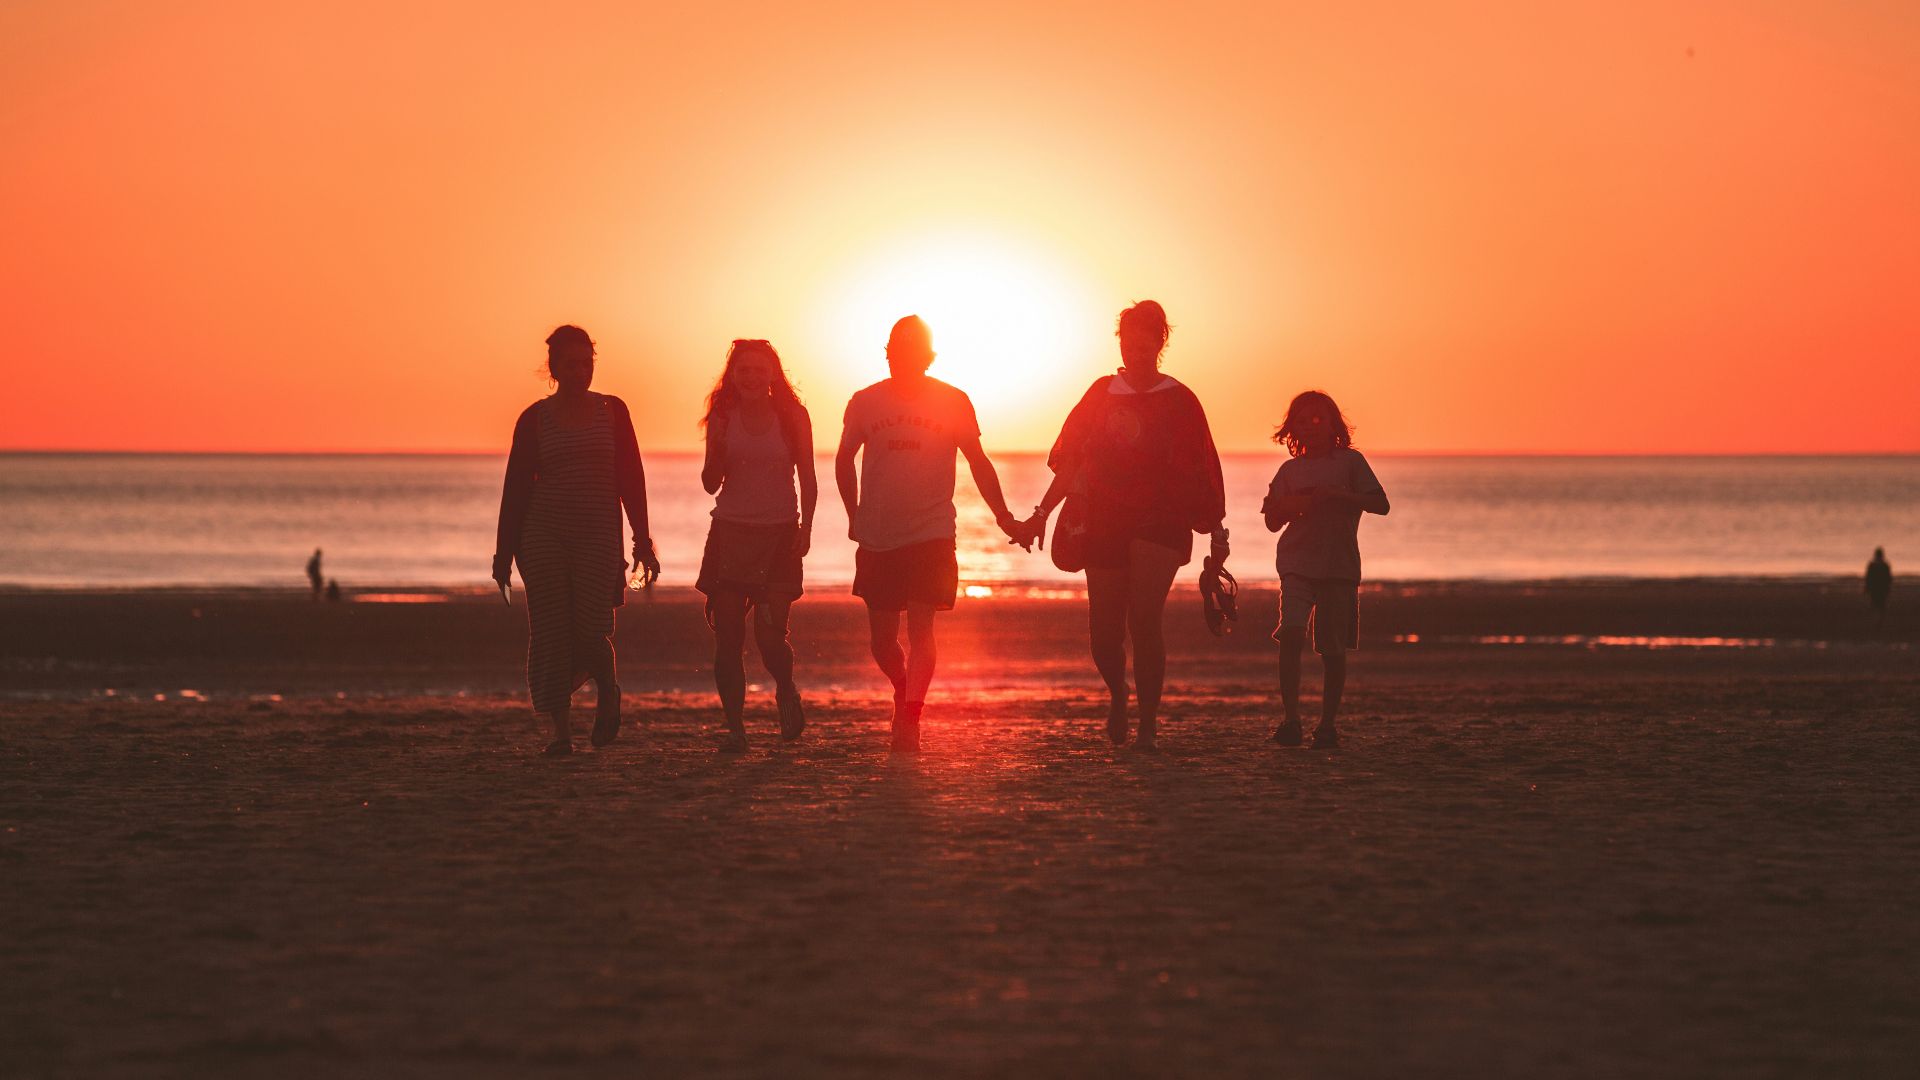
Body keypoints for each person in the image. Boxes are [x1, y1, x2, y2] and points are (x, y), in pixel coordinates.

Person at [1021, 301, 1228, 751]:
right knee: (1104, 632)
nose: (1135, 347)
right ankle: (1119, 696)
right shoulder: (1101, 394)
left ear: (1160, 341)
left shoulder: (1180, 399)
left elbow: (1202, 467)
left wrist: (1215, 529)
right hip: (1104, 518)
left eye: (1145, 338)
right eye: (1126, 338)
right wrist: (1042, 513)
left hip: (1162, 520)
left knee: (1145, 618)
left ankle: (1148, 726)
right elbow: (1071, 460)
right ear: (1119, 341)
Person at [836, 315, 1028, 752]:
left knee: (922, 630)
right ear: (887, 353)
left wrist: (1003, 516)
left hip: (932, 531)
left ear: (926, 356)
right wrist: (854, 514)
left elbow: (978, 461)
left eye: (911, 349)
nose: (902, 357)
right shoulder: (865, 401)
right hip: (879, 536)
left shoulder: (953, 401)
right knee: (882, 641)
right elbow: (844, 459)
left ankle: (912, 715)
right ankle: (903, 688)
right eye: (895, 349)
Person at [493, 325, 660, 757]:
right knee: (550, 631)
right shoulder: (535, 419)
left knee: (592, 628)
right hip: (543, 535)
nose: (581, 371)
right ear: (554, 368)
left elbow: (631, 478)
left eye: (588, 363)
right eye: (572, 364)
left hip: (598, 536)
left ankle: (608, 689)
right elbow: (516, 488)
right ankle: (560, 733)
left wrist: (643, 541)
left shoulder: (613, 411)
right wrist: (503, 553)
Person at [696, 339, 817, 752]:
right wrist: (718, 448)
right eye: (742, 370)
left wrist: (808, 527)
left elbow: (808, 476)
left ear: (772, 375)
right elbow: (711, 482)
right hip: (730, 532)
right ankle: (736, 730)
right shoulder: (723, 416)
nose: (750, 377)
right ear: (733, 375)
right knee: (728, 639)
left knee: (769, 637)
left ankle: (785, 688)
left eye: (759, 370)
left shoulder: (793, 416)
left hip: (780, 533)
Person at [1262, 390, 1388, 749]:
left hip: (1338, 566)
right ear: (1292, 429)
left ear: (1333, 423)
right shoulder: (1290, 470)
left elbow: (1381, 504)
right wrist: (1292, 506)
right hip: (1296, 563)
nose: (1312, 427)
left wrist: (1339, 496)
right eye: (1303, 421)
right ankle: (1291, 720)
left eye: (1319, 419)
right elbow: (1272, 520)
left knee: (1332, 650)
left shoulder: (1350, 463)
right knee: (1290, 634)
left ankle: (1327, 725)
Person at [1866, 547, 1892, 633]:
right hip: (1882, 589)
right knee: (1881, 607)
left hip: (1875, 589)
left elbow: (1868, 578)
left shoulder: (1872, 565)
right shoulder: (1885, 565)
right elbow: (1889, 578)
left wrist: (1867, 588)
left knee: (1875, 606)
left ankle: (1876, 622)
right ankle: (1878, 622)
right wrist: (1889, 588)